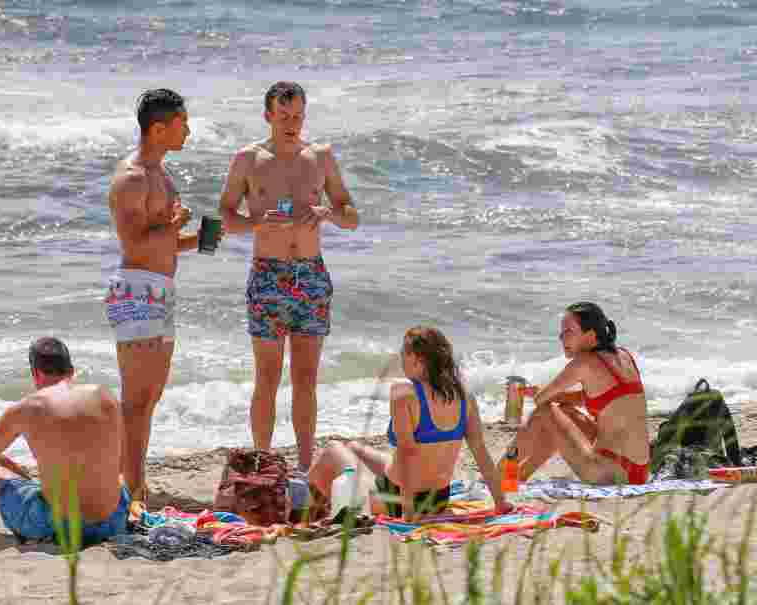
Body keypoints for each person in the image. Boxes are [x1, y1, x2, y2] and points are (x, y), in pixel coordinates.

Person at [218, 81, 359, 473]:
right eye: (284, 116)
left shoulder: (321, 156)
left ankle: (303, 464)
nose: (291, 123)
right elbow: (226, 217)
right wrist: (256, 222)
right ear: (268, 116)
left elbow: (352, 215)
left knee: (306, 378)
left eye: (297, 116)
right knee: (266, 376)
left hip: (310, 275)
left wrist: (328, 213)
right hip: (267, 274)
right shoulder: (247, 159)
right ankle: (263, 461)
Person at [106, 88, 221, 500]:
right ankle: (130, 487)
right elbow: (135, 244)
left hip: (162, 289)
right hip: (137, 289)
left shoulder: (163, 176)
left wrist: (199, 239)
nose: (188, 131)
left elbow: (164, 242)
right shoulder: (132, 178)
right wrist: (173, 227)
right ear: (158, 129)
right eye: (182, 124)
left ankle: (134, 481)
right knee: (136, 399)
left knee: (150, 396)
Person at [307, 326, 510, 520]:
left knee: (333, 449)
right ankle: (320, 503)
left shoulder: (404, 395)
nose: (401, 357)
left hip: (398, 499)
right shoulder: (465, 397)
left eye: (404, 352)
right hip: (437, 500)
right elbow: (480, 452)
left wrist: (408, 512)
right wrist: (500, 502)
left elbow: (406, 452)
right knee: (353, 447)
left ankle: (306, 508)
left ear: (418, 359)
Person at [0, 337, 130, 543]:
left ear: (36, 373)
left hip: (60, 528)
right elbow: (121, 461)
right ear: (71, 371)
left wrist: (3, 461)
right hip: (113, 519)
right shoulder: (105, 396)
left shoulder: (29, 407)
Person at [506, 302, 651, 485]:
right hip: (638, 471)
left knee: (546, 411)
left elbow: (541, 400)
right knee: (565, 412)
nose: (562, 338)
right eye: (561, 333)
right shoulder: (623, 355)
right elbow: (593, 399)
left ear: (590, 335)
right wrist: (549, 395)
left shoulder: (583, 362)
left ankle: (504, 471)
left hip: (608, 472)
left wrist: (538, 393)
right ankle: (520, 475)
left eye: (568, 332)